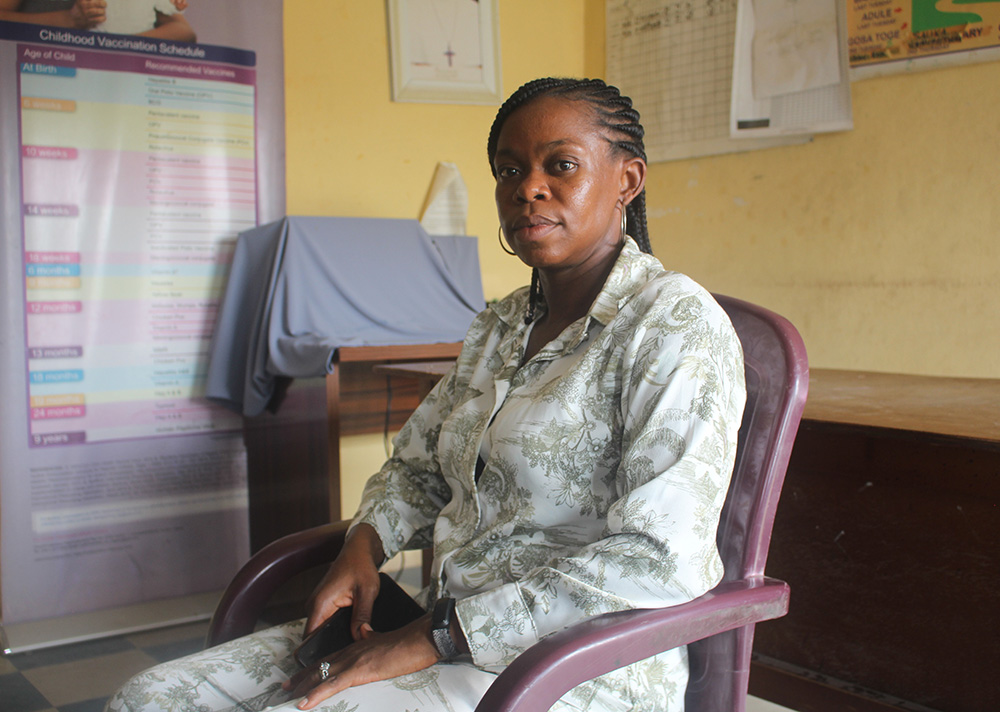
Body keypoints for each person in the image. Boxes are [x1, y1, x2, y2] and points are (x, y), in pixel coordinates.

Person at [105, 77, 746, 712]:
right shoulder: (500, 324)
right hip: (437, 638)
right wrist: (364, 548)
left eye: (562, 165)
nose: (528, 188)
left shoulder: (673, 326)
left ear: (626, 182)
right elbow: (416, 467)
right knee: (149, 698)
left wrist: (432, 636)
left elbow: (664, 558)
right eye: (509, 170)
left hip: (577, 670)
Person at [1, 0, 194, 42]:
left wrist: (113, 49)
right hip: (43, 77)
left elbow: (183, 32)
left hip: (117, 85)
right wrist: (68, 20)